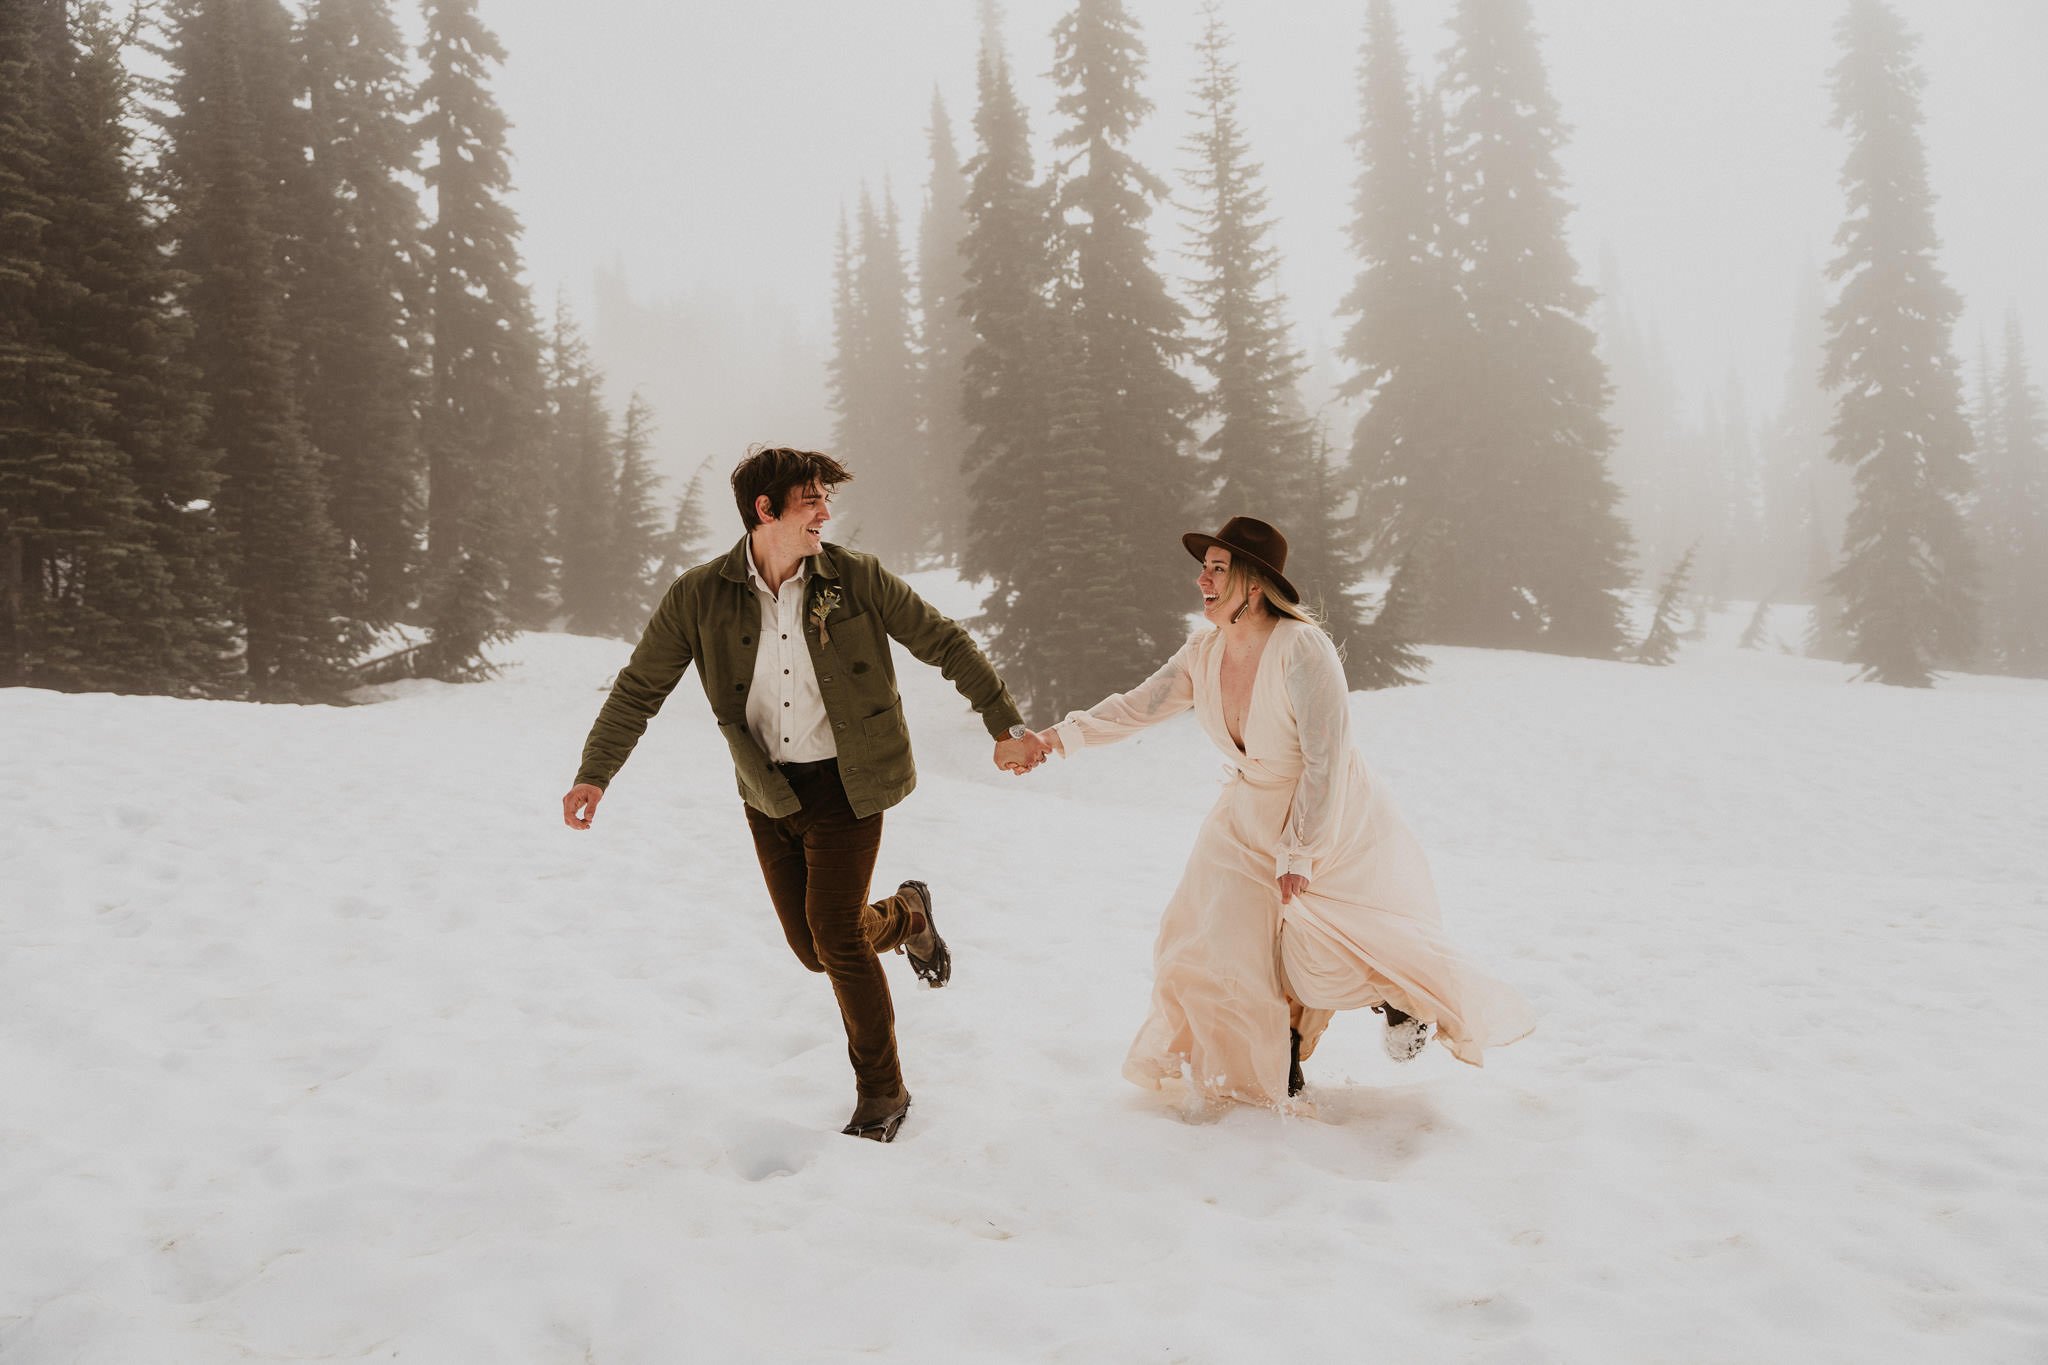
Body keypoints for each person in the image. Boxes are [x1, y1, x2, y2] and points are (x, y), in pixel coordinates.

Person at [562, 446, 1050, 1142]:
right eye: (811, 499)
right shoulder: (698, 595)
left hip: (853, 783)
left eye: (827, 498)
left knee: (838, 943)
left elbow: (942, 640)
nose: (826, 512)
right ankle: (909, 914)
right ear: (766, 511)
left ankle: (884, 1093)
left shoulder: (855, 578)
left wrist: (1003, 722)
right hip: (769, 792)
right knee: (816, 945)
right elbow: (640, 687)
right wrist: (594, 771)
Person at [1033, 517, 1534, 1113]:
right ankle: (1274, 1070)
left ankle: (1404, 1002)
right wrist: (1053, 740)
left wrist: (1300, 850)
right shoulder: (1204, 650)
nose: (1202, 580)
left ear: (1252, 583)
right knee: (1207, 940)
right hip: (1245, 816)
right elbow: (1141, 705)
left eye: (1218, 569)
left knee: (1320, 945)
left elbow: (1328, 758)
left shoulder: (1303, 648)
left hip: (1328, 815)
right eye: (1204, 568)